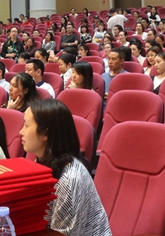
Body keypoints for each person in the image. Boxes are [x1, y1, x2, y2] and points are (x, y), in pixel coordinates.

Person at [21, 99, 112, 236]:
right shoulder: (42, 161)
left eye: (26, 125)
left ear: (45, 134)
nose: (21, 132)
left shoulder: (68, 180)